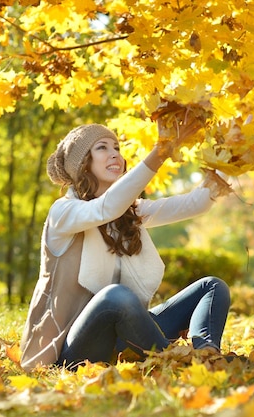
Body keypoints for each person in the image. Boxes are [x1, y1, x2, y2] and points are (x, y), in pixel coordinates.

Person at [19, 119, 231, 371]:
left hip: (122, 340)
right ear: (82, 163)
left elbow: (196, 203)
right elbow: (105, 208)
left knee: (212, 287)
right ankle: (178, 362)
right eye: (102, 147)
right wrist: (161, 152)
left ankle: (207, 355)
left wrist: (233, 153)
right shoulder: (63, 213)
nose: (114, 154)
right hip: (75, 351)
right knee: (116, 295)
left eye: (117, 148)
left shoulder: (130, 212)